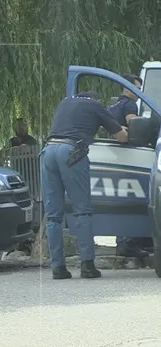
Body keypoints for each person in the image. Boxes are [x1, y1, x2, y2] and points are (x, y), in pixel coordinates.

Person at [41, 91, 128, 280]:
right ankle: (87, 266)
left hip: (48, 151)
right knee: (82, 211)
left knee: (53, 215)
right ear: (97, 99)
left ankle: (58, 268)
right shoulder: (96, 106)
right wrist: (125, 130)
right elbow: (122, 137)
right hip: (71, 152)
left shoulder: (64, 103)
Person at [108, 74, 150, 259]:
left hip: (115, 155)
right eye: (137, 88)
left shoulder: (115, 104)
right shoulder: (130, 104)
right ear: (127, 88)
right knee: (137, 196)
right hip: (128, 155)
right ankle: (130, 243)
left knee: (122, 199)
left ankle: (124, 242)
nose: (139, 93)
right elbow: (134, 124)